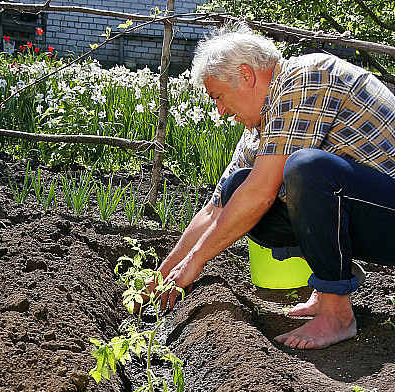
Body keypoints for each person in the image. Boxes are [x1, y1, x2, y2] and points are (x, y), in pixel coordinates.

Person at [153, 26, 395, 349]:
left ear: (246, 76)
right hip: (371, 215)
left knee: (305, 169)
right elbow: (215, 209)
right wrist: (161, 276)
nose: (220, 111)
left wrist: (195, 262)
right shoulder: (261, 127)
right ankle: (328, 287)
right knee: (236, 189)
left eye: (218, 97)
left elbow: (263, 192)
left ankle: (337, 313)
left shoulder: (304, 78)